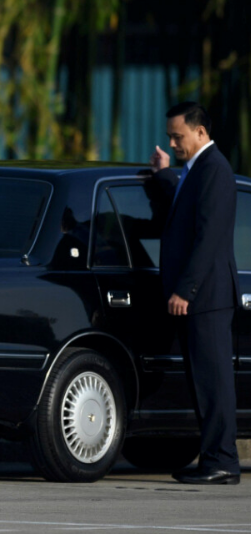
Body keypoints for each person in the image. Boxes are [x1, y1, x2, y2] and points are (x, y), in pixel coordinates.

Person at [148, 102, 241, 485]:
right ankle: (213, 459)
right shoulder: (195, 170)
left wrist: (186, 289)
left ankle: (222, 462)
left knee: (215, 382)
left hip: (207, 297)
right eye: (170, 137)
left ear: (200, 132)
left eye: (178, 136)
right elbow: (180, 214)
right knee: (202, 381)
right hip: (198, 298)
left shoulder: (215, 170)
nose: (173, 142)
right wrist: (164, 175)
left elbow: (209, 236)